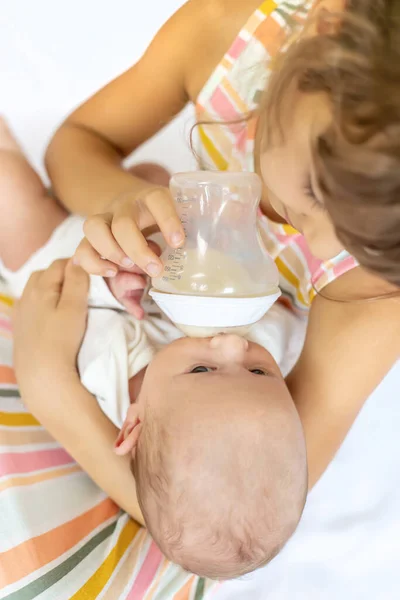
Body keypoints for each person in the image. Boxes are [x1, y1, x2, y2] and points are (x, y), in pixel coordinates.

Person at [41, 0, 400, 491]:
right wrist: (128, 205)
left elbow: (260, 500)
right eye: (317, 192)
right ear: (325, 25)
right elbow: (78, 141)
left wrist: (52, 390)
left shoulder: (376, 287)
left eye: (369, 240)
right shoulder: (222, 35)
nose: (317, 240)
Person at [0, 121, 307, 579]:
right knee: (153, 176)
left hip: (56, 258)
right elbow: (289, 325)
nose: (231, 344)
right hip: (145, 245)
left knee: (10, 190)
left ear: (133, 425)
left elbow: (70, 308)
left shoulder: (110, 372)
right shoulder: (266, 353)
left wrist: (119, 285)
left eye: (203, 369)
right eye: (261, 374)